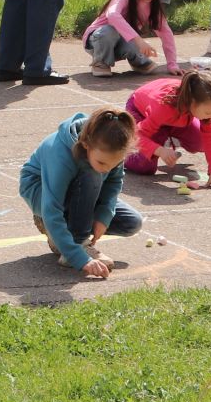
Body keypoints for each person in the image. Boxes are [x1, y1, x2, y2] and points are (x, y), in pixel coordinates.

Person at [19, 108, 143, 277]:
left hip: (80, 191)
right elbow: (51, 209)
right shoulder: (61, 154)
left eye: (114, 164)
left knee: (131, 223)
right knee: (93, 174)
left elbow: (114, 182)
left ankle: (63, 235)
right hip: (41, 192)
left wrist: (103, 216)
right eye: (102, 162)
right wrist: (80, 259)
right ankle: (77, 243)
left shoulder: (111, 146)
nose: (107, 169)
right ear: (86, 145)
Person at [125, 69, 211, 187]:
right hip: (140, 111)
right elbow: (135, 135)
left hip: (175, 115)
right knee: (145, 167)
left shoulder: (200, 104)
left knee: (200, 142)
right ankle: (121, 152)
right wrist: (159, 150)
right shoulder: (164, 107)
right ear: (193, 102)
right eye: (208, 112)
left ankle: (165, 136)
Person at [83, 0, 179, 77]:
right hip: (97, 42)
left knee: (130, 36)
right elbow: (112, 15)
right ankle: (101, 62)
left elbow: (166, 34)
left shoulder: (153, 5)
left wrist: (172, 64)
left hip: (119, 45)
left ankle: (138, 61)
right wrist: (138, 40)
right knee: (110, 31)